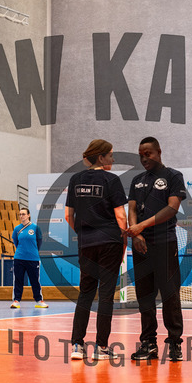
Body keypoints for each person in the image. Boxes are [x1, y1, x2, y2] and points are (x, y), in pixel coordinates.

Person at [65, 139, 128, 360]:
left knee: (85, 293)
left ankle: (77, 345)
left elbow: (68, 216)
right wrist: (123, 239)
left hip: (86, 244)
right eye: (110, 155)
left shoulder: (75, 180)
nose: (113, 158)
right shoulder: (112, 180)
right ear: (101, 157)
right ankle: (101, 348)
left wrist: (84, 233)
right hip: (110, 242)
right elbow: (120, 215)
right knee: (106, 295)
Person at [126, 137, 186, 361]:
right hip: (141, 245)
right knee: (144, 296)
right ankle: (148, 343)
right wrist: (136, 233)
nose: (144, 158)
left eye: (148, 153)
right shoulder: (137, 180)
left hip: (165, 243)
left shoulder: (173, 176)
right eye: (141, 155)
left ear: (159, 152)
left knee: (170, 294)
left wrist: (141, 226)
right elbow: (132, 208)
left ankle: (175, 343)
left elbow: (172, 208)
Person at [10, 208, 48, 309]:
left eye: (23, 214)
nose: (21, 216)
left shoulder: (35, 228)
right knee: (18, 280)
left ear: (28, 215)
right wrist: (22, 251)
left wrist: (32, 251)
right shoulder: (17, 229)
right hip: (19, 258)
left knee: (35, 280)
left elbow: (39, 242)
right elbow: (16, 242)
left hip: (33, 259)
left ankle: (39, 300)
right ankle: (16, 300)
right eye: (20, 214)